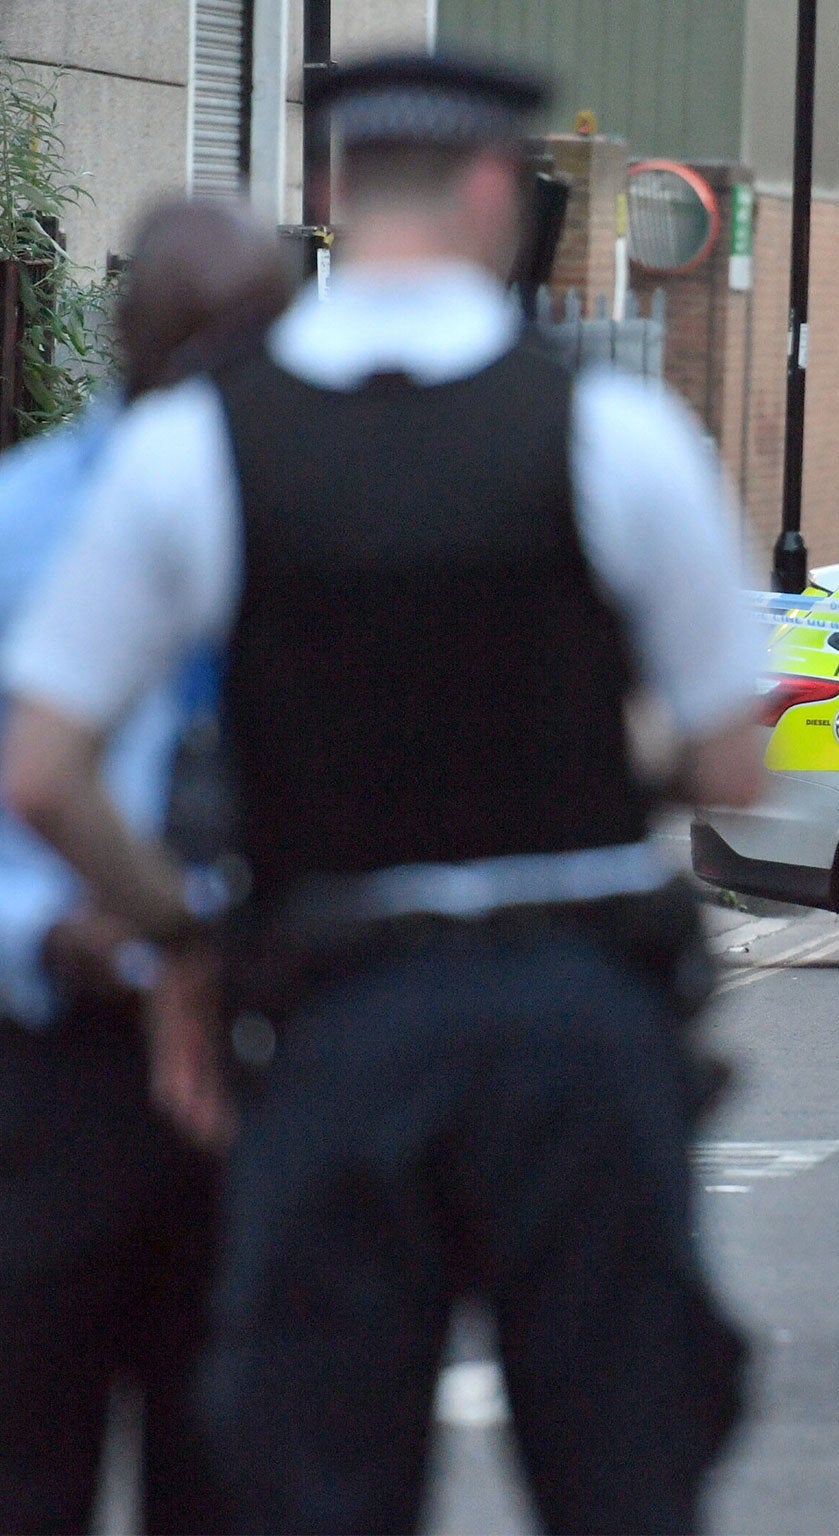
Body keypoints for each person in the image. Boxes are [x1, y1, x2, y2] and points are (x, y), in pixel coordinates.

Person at [1, 54, 764, 1535]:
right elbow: (733, 758)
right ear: (497, 193)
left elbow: (42, 769)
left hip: (338, 1017)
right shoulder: (612, 434)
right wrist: (573, 764)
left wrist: (190, 927)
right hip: (574, 1015)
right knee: (621, 1467)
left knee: (319, 1474)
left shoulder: (196, 445)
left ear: (335, 197)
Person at [0, 199, 294, 1535]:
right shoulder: (23, 521)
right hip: (49, 1061)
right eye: (205, 342)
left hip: (260, 1058)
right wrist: (47, 931)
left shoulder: (317, 536)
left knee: (234, 1473)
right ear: (130, 337)